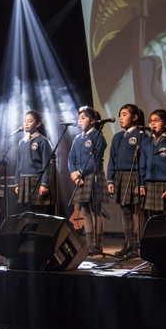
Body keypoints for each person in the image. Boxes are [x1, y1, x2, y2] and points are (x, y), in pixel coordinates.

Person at [107, 104, 147, 259]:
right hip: (120, 176)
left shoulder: (141, 135)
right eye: (120, 115)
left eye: (124, 114)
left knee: (137, 211)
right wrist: (110, 179)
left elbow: (143, 160)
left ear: (135, 117)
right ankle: (129, 243)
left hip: (135, 175)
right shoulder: (117, 137)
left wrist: (141, 181)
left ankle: (139, 244)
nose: (121, 118)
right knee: (125, 210)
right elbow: (112, 160)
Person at [67, 106, 108, 256]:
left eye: (83, 117)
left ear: (92, 120)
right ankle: (89, 244)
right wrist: (73, 173)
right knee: (85, 211)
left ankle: (98, 244)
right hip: (80, 178)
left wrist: (79, 173)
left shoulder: (98, 136)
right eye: (79, 118)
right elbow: (71, 158)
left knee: (96, 211)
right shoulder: (78, 139)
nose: (80, 120)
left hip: (93, 175)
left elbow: (95, 160)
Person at [139, 109, 166, 218]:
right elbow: (142, 165)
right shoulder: (146, 141)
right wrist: (141, 184)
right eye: (150, 121)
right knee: (152, 218)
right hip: (149, 185)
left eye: (156, 120)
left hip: (164, 184)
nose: (152, 123)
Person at [14, 110, 54, 213]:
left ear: (38, 124)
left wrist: (44, 184)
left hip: (37, 180)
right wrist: (17, 183)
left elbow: (47, 164)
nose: (26, 124)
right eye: (25, 121)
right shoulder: (21, 142)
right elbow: (19, 164)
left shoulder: (43, 141)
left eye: (30, 121)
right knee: (28, 213)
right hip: (24, 180)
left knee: (39, 213)